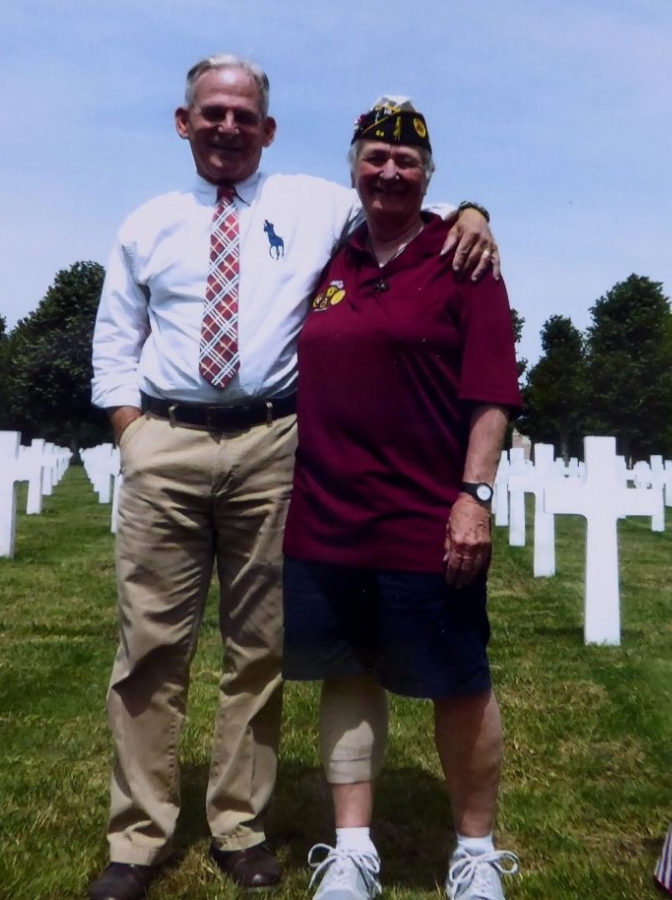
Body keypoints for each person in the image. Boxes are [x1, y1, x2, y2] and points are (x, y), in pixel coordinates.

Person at [88, 57, 499, 900]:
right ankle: (138, 836)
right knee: (150, 650)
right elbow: (112, 345)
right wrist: (135, 436)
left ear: (268, 130)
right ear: (184, 121)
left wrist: (476, 211)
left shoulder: (318, 204)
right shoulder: (147, 223)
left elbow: (410, 200)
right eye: (213, 113)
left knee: (259, 653)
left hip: (274, 445)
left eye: (245, 115)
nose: (229, 127)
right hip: (166, 437)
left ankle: (240, 826)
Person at [281, 97, 523, 900]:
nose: (390, 171)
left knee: (459, 681)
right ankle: (353, 850)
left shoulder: (464, 259)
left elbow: (492, 391)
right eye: (376, 157)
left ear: (429, 178)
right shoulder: (329, 256)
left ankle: (475, 852)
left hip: (429, 515)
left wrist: (474, 496)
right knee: (346, 674)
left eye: (407, 161)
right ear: (354, 167)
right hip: (327, 515)